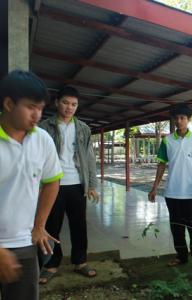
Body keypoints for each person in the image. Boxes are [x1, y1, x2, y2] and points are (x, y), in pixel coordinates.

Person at [0, 70, 63, 300]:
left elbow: (52, 181)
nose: (37, 115)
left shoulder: (42, 139)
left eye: (41, 108)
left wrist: (39, 225)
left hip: (23, 242)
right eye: (31, 107)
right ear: (8, 104)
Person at [39, 86, 99, 283]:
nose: (69, 107)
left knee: (78, 225)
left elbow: (90, 158)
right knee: (51, 225)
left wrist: (91, 184)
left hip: (76, 184)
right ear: (57, 103)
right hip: (51, 184)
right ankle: (51, 264)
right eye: (65, 103)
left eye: (74, 104)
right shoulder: (44, 127)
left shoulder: (83, 128)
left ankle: (80, 261)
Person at [148, 104, 192, 269]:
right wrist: (154, 187)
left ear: (189, 120)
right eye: (176, 118)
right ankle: (181, 256)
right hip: (172, 192)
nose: (179, 121)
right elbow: (161, 165)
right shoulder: (167, 141)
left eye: (182, 118)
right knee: (176, 227)